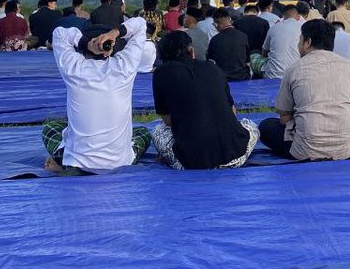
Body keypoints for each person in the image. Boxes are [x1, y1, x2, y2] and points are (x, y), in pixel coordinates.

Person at [44, 18, 151, 174]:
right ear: (111, 46)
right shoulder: (124, 68)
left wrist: (86, 43)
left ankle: (62, 162)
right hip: (120, 162)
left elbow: (59, 33)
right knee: (143, 132)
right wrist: (115, 33)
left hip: (78, 163)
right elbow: (140, 24)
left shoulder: (74, 68)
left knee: (51, 129)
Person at [258, 19, 350, 160]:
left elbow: (284, 118)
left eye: (300, 40)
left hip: (305, 151)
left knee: (266, 126)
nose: (298, 44)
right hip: (346, 150)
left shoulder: (293, 69)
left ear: (308, 42)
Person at [151, 30, 259, 170]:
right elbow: (232, 112)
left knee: (157, 131)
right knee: (252, 125)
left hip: (190, 163)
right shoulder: (213, 68)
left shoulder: (161, 74)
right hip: (235, 155)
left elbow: (168, 121)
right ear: (190, 50)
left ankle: (170, 157)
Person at [258, 2, 303, 78]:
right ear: (298, 17)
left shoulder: (274, 28)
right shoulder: (303, 29)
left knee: (254, 57)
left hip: (273, 75)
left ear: (283, 16)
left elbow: (264, 53)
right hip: (296, 76)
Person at [207, 8, 252, 81]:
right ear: (229, 19)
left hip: (223, 79)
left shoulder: (215, 40)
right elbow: (247, 60)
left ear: (216, 24)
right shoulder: (243, 36)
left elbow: (211, 62)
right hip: (242, 77)